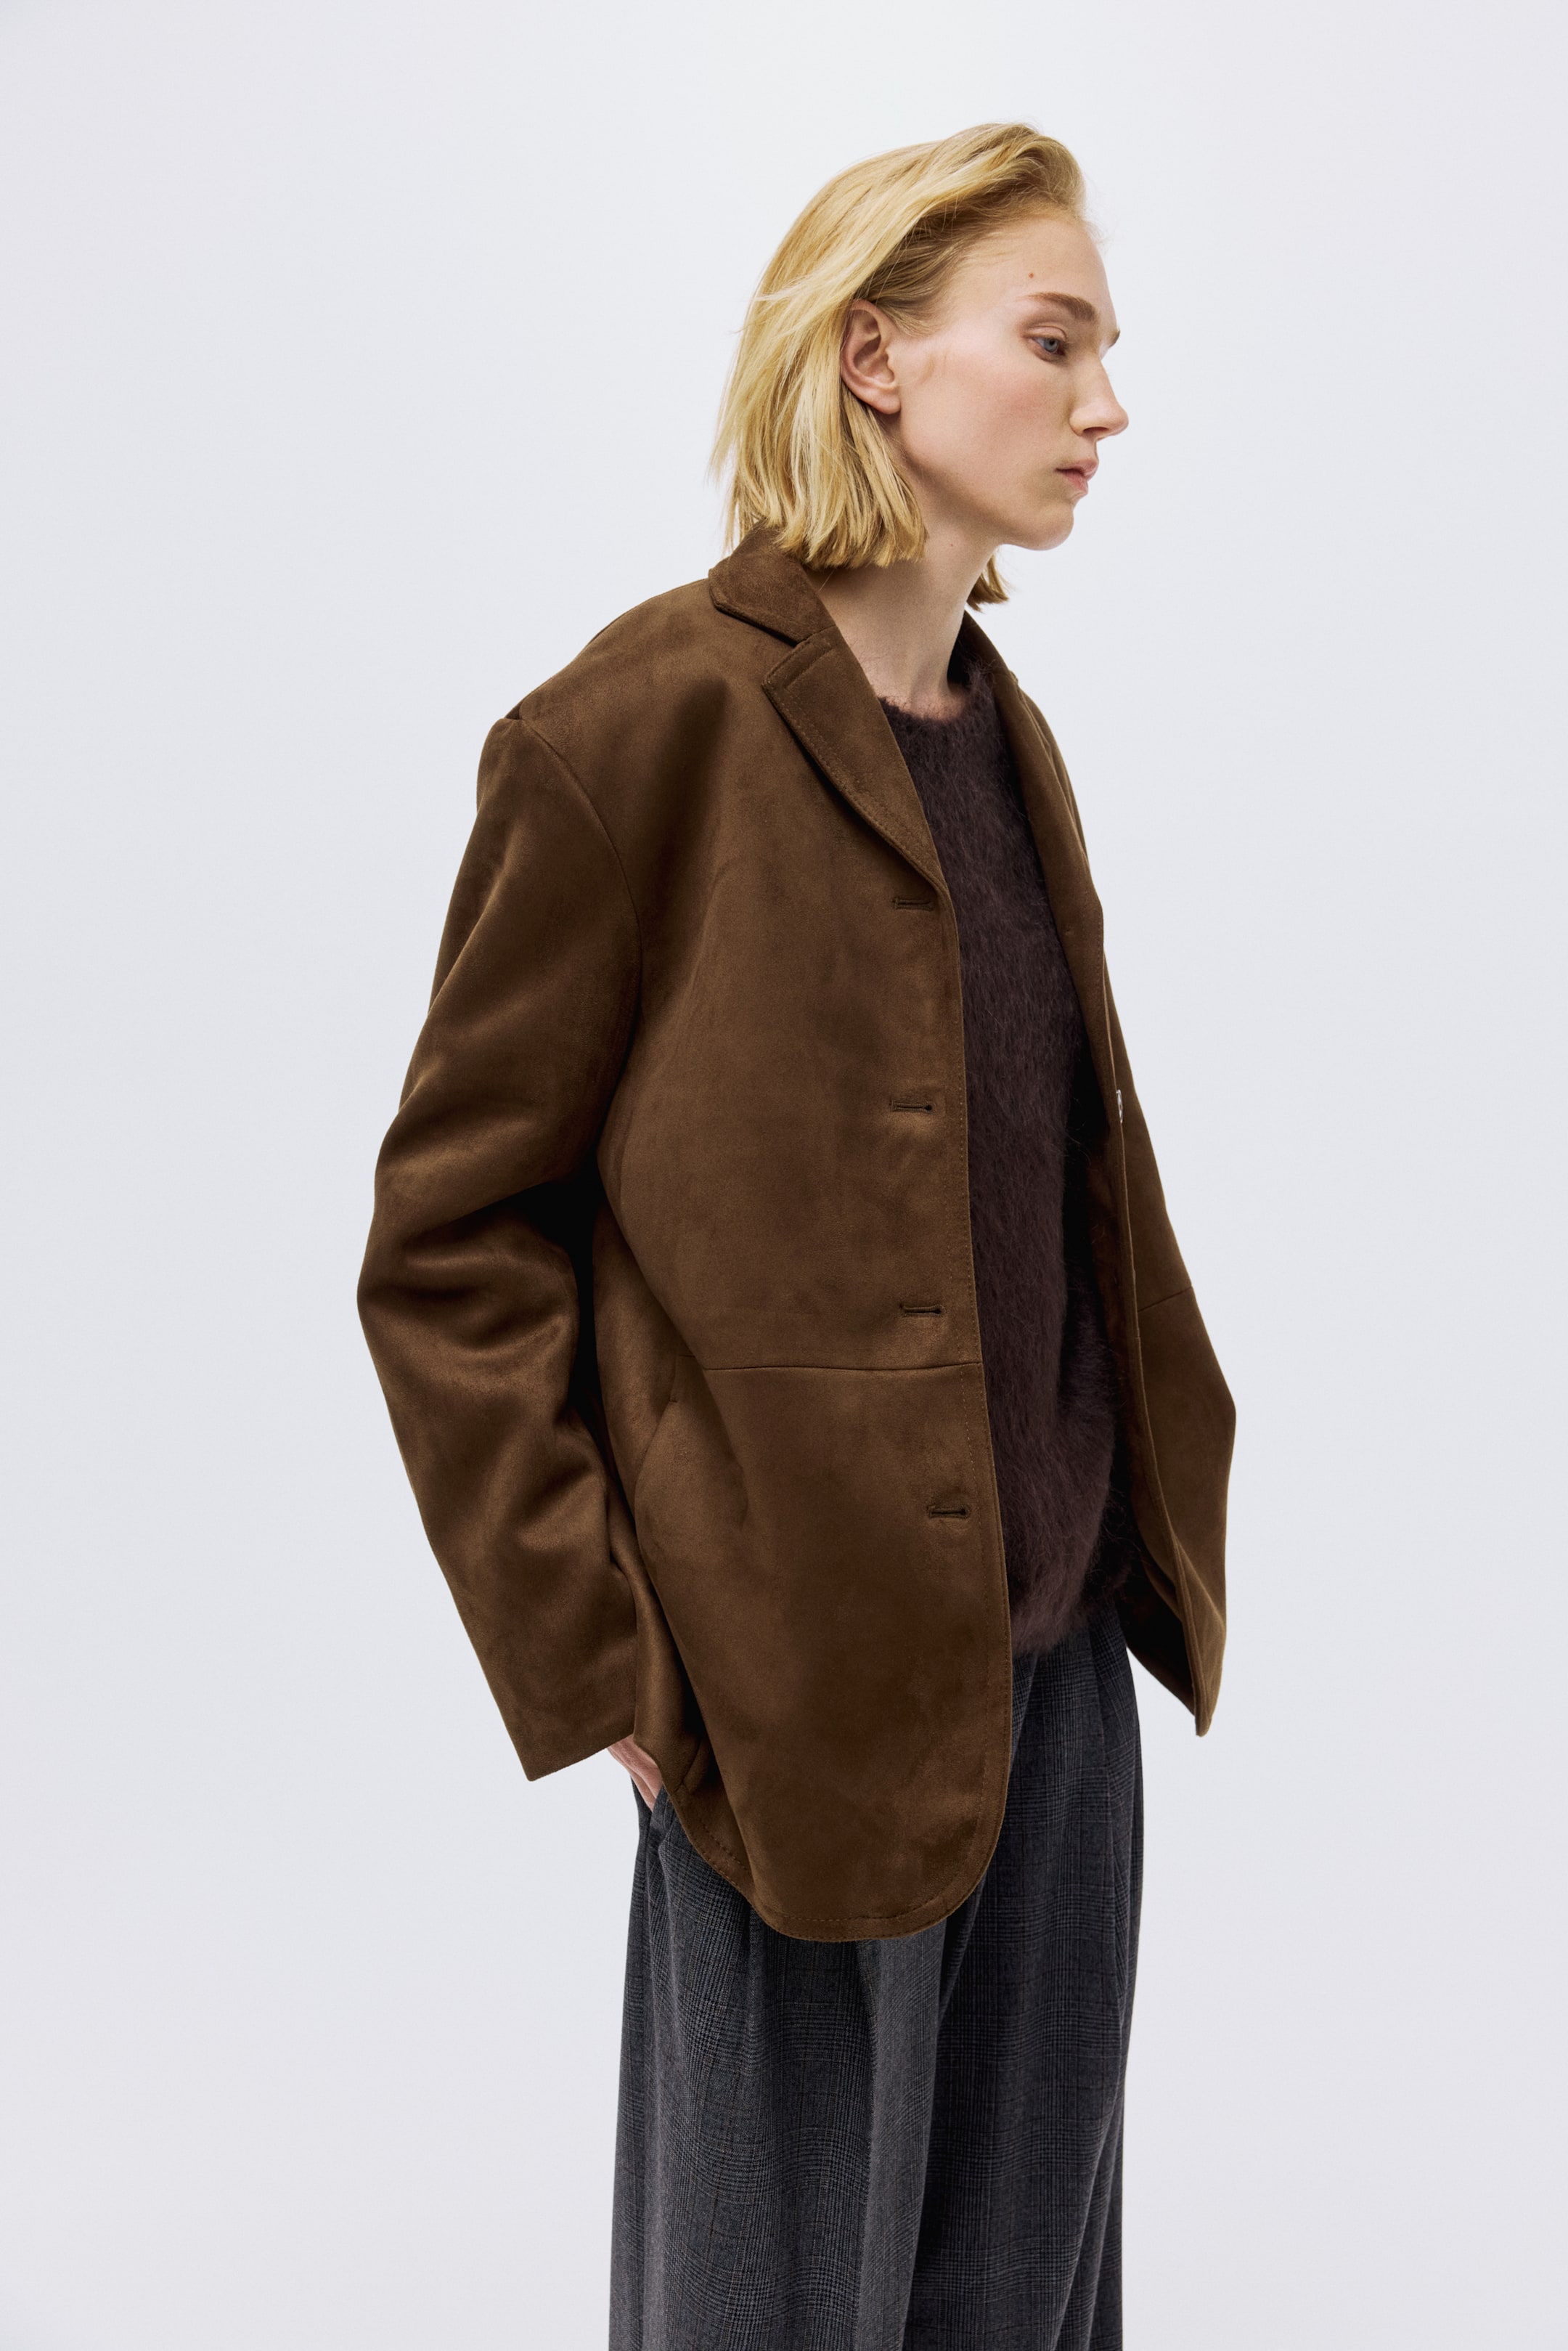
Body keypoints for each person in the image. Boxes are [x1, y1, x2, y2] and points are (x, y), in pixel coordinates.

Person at [358, 121, 1234, 2351]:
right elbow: (453, 1241)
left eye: (1106, 351)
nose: (1107, 405)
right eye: (1056, 342)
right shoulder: (638, 730)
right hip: (785, 1704)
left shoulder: (1008, 744)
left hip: (1061, 1685)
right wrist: (611, 1671)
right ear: (874, 357)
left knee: (1028, 2310)